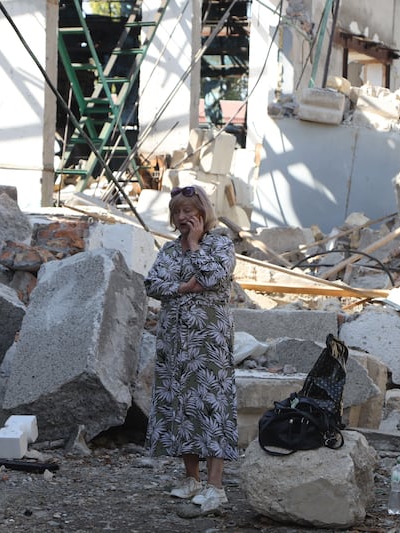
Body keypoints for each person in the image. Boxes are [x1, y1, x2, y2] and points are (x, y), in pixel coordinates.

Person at [144, 184, 239, 512]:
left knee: (211, 406)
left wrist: (196, 246)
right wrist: (182, 287)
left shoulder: (221, 243)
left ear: (203, 213)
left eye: (189, 211)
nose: (183, 218)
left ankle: (216, 486)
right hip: (174, 343)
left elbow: (216, 276)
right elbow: (152, 283)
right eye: (178, 213)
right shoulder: (169, 251)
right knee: (182, 406)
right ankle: (191, 478)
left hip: (208, 343)